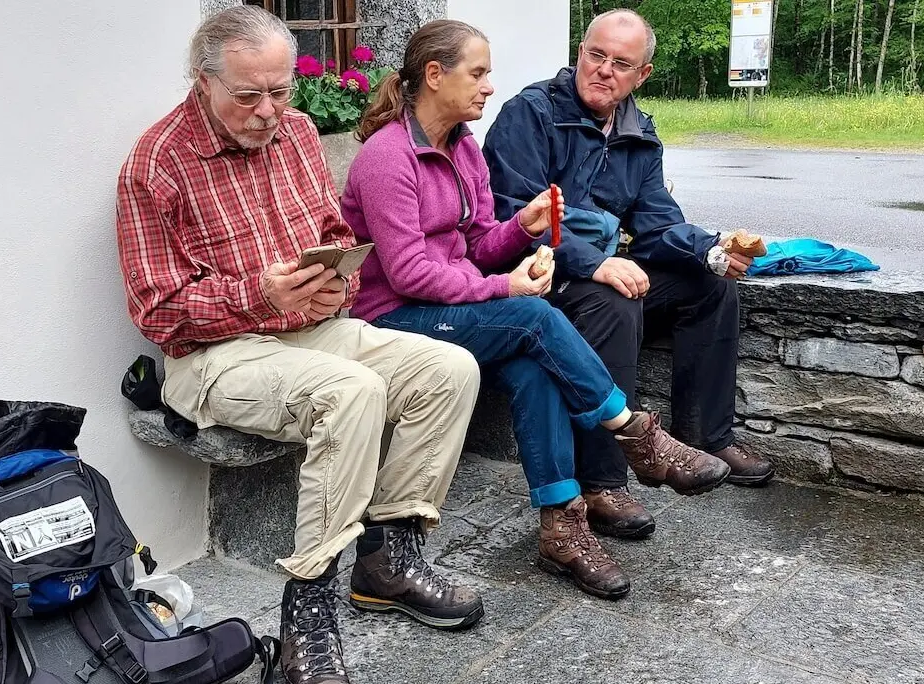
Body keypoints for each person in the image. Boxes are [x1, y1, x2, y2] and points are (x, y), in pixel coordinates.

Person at [115, 8, 484, 684]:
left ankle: (389, 559)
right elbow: (158, 314)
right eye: (248, 95)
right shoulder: (156, 164)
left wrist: (331, 285)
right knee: (353, 392)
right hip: (213, 356)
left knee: (448, 367)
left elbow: (330, 231)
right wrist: (262, 296)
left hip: (309, 330)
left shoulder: (299, 132)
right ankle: (306, 614)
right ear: (202, 82)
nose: (267, 112)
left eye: (280, 92)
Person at [340, 19, 731, 602]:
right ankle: (636, 435)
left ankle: (561, 528)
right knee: (535, 317)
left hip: (452, 312)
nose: (489, 87)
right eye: (478, 73)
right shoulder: (387, 157)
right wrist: (504, 289)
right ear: (433, 75)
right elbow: (408, 275)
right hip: (393, 319)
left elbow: (474, 247)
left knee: (534, 366)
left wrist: (519, 229)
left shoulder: (463, 147)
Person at [482, 9, 775, 539]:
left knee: (710, 285)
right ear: (579, 53)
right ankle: (602, 483)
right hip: (533, 277)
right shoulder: (530, 113)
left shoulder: (639, 133)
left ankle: (704, 437)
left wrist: (709, 249)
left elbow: (658, 220)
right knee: (613, 301)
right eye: (596, 55)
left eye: (621, 63)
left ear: (642, 75)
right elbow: (509, 211)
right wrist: (593, 262)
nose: (604, 70)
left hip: (594, 267)